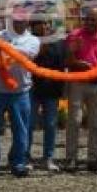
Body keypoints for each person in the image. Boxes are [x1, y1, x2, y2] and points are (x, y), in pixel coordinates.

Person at [0, 9, 40, 177]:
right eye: (14, 21)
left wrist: (2, 47)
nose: (17, 24)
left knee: (21, 129)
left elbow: (26, 55)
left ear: (27, 23)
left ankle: (18, 162)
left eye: (21, 21)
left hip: (20, 91)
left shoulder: (33, 40)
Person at [66, 6, 97, 171]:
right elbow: (67, 61)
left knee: (95, 124)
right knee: (74, 121)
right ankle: (71, 158)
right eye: (87, 19)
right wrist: (75, 61)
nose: (89, 22)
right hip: (78, 83)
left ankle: (92, 158)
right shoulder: (75, 35)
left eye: (93, 19)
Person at [27, 18, 65, 173]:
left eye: (45, 23)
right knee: (29, 124)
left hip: (51, 90)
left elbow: (61, 65)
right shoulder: (28, 41)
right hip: (32, 88)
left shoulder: (58, 42)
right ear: (32, 27)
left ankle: (48, 157)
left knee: (50, 125)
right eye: (38, 24)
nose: (42, 26)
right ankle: (25, 156)